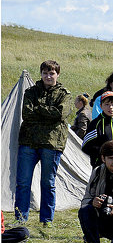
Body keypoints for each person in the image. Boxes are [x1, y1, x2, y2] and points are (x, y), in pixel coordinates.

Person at [15, 60, 72, 226]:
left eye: (52, 73)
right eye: (45, 73)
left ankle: (47, 220)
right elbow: (27, 113)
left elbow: (61, 114)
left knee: (48, 183)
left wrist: (38, 108)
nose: (48, 76)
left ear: (57, 74)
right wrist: (48, 112)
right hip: (29, 141)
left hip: (52, 143)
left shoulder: (64, 94)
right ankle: (20, 219)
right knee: (23, 183)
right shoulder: (31, 92)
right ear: (41, 74)